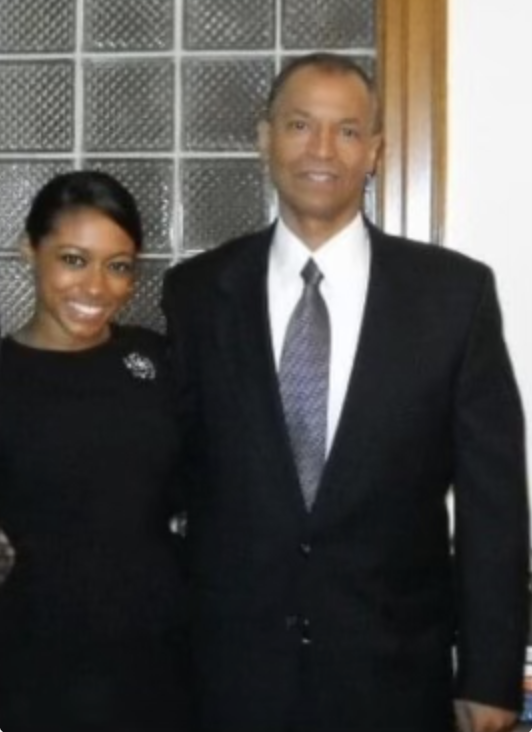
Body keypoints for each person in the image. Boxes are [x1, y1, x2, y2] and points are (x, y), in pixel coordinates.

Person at [162, 53, 530, 732]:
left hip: (393, 676)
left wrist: (491, 676)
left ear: (376, 151)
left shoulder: (454, 295)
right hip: (228, 678)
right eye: (300, 125)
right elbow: (165, 473)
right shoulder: (197, 294)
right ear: (263, 136)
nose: (322, 150)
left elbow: (494, 506)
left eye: (348, 131)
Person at [0, 170, 190, 731]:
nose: (96, 287)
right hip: (38, 666)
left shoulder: (154, 360)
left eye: (118, 265)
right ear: (28, 251)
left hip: (164, 660)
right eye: (74, 259)